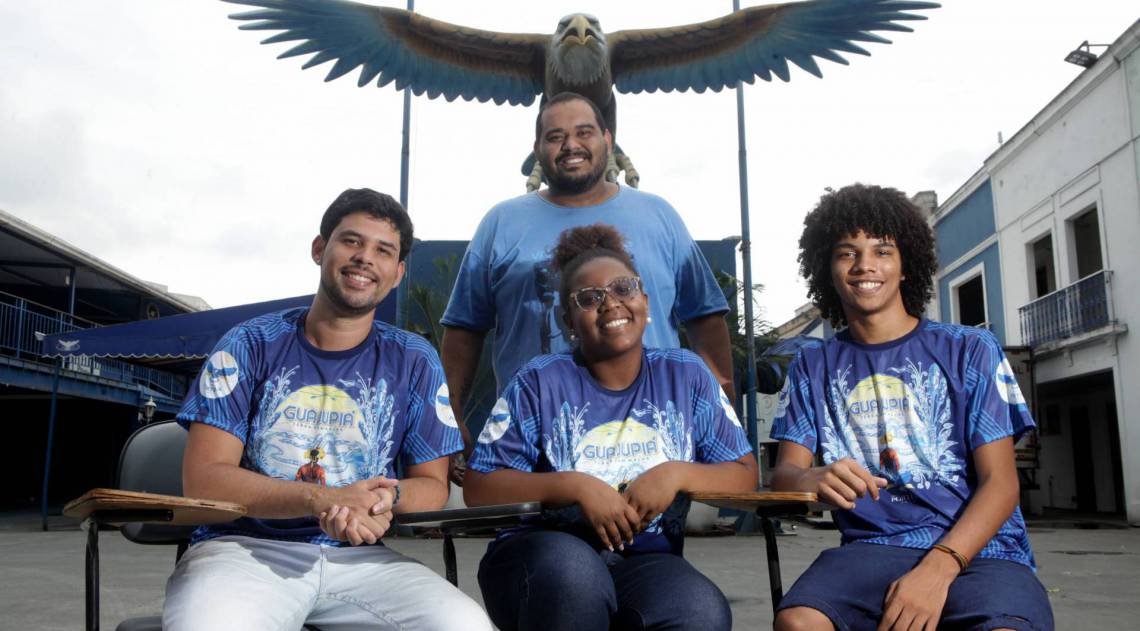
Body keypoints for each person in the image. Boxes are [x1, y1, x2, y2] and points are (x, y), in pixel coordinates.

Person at [163, 188, 491, 631]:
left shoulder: (414, 359)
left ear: (397, 273)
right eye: (351, 241)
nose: (364, 258)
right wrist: (324, 499)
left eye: (382, 250)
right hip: (244, 551)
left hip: (363, 559)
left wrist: (382, 498)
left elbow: (431, 485)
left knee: (464, 626)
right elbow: (204, 479)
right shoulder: (249, 344)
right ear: (320, 249)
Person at [770, 184, 1053, 631]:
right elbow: (783, 475)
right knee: (798, 622)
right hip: (872, 547)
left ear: (906, 266)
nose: (865, 265)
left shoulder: (969, 349)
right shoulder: (812, 364)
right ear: (827, 267)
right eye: (847, 253)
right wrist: (811, 476)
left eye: (882, 250)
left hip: (981, 551)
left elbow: (1002, 484)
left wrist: (938, 568)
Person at [464, 223, 758, 631]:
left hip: (644, 560)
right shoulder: (538, 381)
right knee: (575, 577)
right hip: (540, 559)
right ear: (567, 319)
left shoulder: (685, 375)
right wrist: (575, 487)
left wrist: (675, 473)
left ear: (645, 300)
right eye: (589, 298)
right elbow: (480, 487)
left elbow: (744, 475)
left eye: (624, 288)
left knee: (699, 610)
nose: (611, 303)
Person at [441, 92, 734, 477]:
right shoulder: (501, 222)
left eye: (584, 132)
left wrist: (723, 411)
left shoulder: (659, 216)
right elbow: (464, 327)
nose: (571, 145)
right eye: (555, 136)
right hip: (532, 452)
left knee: (651, 539)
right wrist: (451, 418)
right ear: (537, 149)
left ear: (608, 140)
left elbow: (706, 319)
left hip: (654, 448)